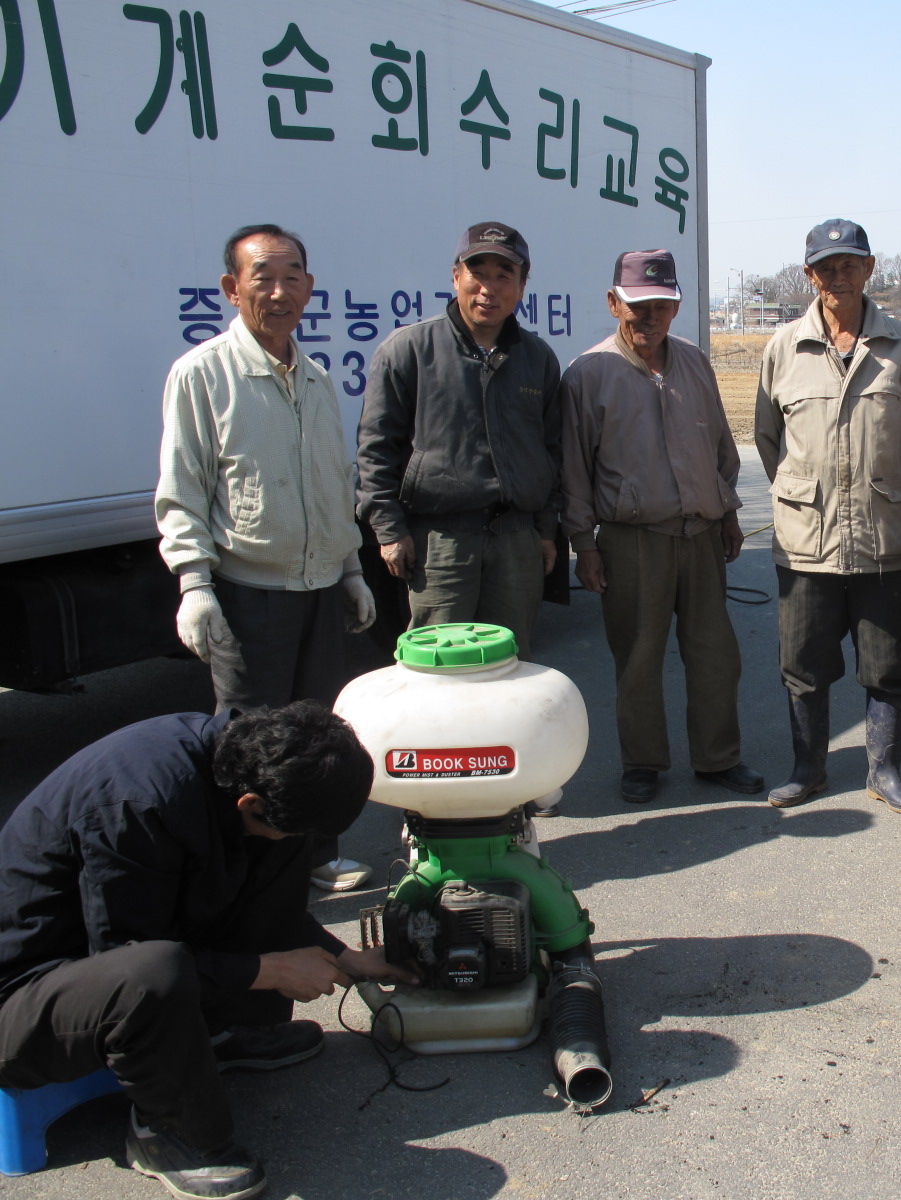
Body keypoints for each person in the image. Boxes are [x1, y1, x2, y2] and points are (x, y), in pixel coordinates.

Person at [0, 703, 415, 1200]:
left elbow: (259, 883)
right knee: (156, 970)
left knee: (281, 847)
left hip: (103, 958)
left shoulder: (249, 762)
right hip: (24, 997)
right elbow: (125, 956)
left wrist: (341, 955)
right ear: (247, 804)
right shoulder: (138, 804)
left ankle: (217, 1033)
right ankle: (165, 1133)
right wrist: (266, 969)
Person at [156, 223, 376, 893]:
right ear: (232, 288)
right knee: (248, 745)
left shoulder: (313, 378)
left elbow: (334, 484)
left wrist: (351, 570)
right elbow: (182, 489)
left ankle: (314, 858)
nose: (279, 292)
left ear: (309, 287)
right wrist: (195, 585)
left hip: (317, 589)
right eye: (263, 278)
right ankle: (238, 877)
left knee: (317, 736)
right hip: (250, 594)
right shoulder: (202, 375)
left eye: (292, 277)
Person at [560, 250, 763, 805]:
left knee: (715, 654)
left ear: (675, 308)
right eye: (637, 307)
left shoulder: (695, 362)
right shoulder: (588, 374)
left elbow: (721, 446)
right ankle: (643, 761)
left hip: (698, 536)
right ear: (613, 303)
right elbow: (574, 471)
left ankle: (718, 757)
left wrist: (727, 513)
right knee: (638, 657)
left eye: (662, 307)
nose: (649, 319)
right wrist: (585, 546)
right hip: (632, 540)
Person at [754, 219, 901, 818]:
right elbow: (767, 438)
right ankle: (808, 768)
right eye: (826, 267)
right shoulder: (783, 346)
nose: (838, 276)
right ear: (809, 274)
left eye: (850, 264)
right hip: (807, 540)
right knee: (802, 665)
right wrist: (805, 493)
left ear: (870, 268)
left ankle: (884, 771)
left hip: (884, 536)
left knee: (885, 665)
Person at [357, 222, 563, 662]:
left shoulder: (537, 358)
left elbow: (552, 451)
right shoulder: (408, 349)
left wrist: (547, 530)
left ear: (522, 286)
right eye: (478, 272)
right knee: (439, 667)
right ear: (456, 277)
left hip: (516, 541)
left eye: (504, 275)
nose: (489, 288)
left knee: (511, 663)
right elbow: (376, 451)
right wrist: (389, 531)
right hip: (441, 544)